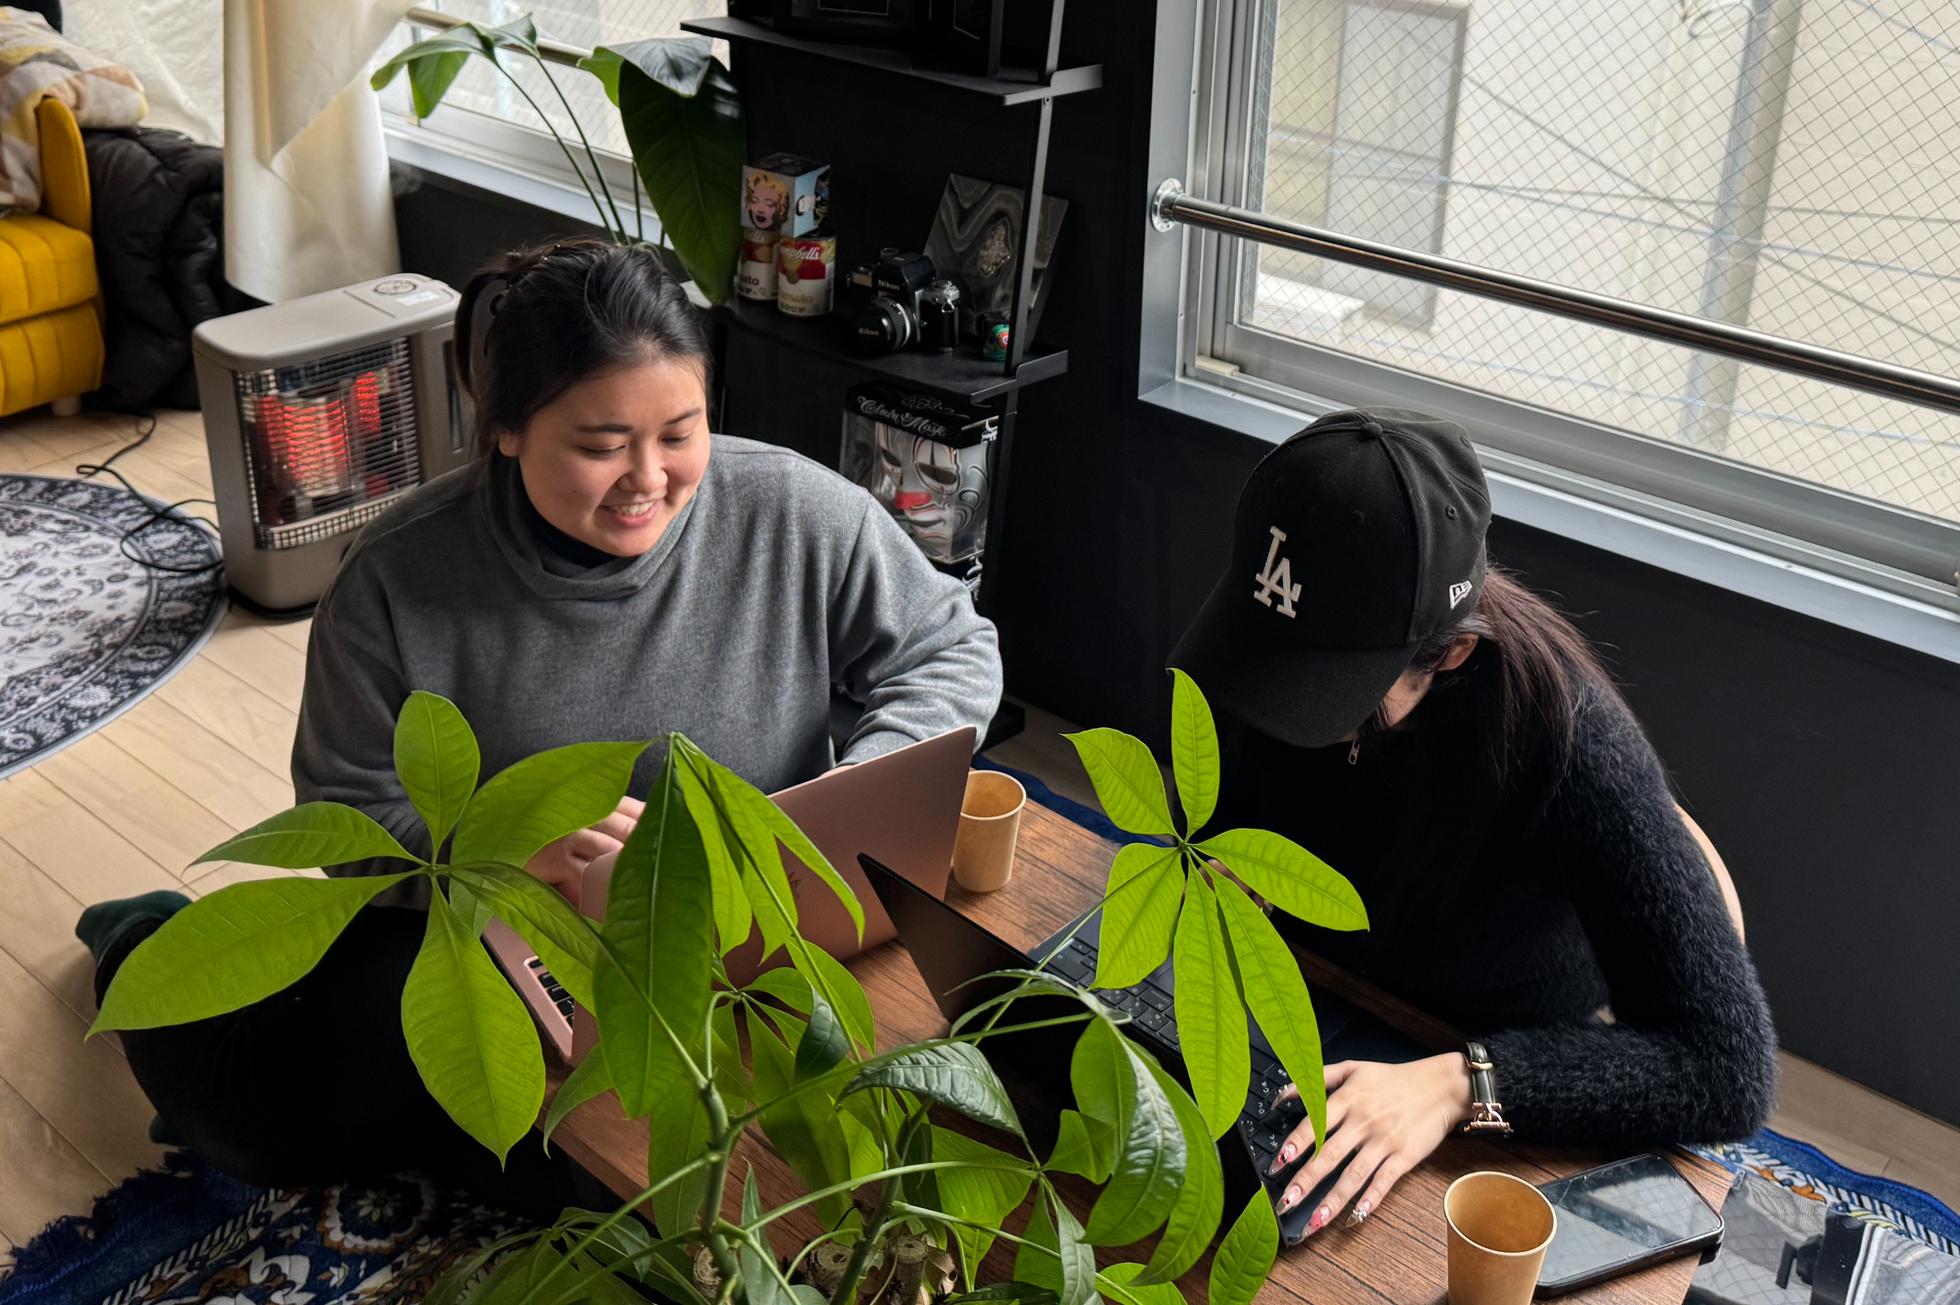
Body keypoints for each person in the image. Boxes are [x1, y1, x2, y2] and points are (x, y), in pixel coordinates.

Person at [77, 238, 1002, 1193]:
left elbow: (951, 647)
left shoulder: (792, 510)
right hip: (506, 930)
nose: (648, 478)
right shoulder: (395, 581)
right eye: (602, 446)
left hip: (761, 918)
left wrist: (855, 789)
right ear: (507, 426)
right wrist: (506, 857)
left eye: (680, 433)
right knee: (265, 1121)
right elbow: (350, 820)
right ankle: (140, 934)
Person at [1170, 407, 1776, 1236]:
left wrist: (1462, 1084)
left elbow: (1725, 1069)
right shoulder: (1270, 633)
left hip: (1477, 1048)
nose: (1282, 710)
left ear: (1451, 652)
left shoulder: (1569, 744)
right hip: (1310, 993)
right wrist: (1221, 863)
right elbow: (1217, 804)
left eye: (1326, 695)